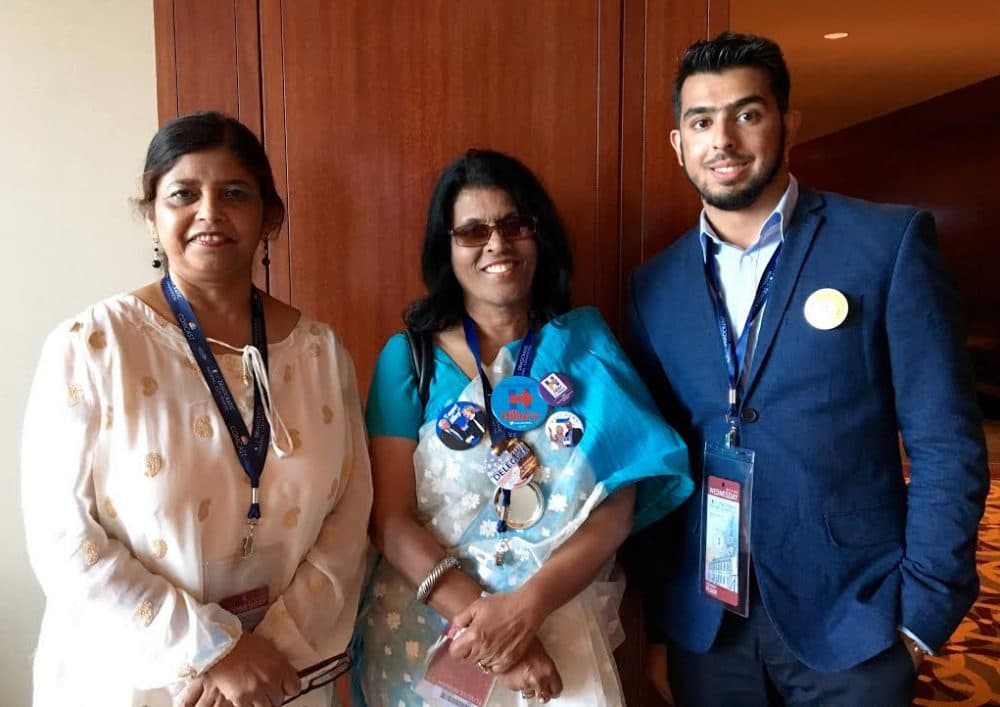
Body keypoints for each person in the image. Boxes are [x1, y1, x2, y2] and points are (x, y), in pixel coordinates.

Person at [627, 33, 989, 705]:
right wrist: (659, 626)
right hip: (710, 629)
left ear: (787, 124)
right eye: (701, 121)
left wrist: (921, 618)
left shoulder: (886, 245)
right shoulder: (654, 287)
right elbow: (656, 470)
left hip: (857, 622)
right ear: (678, 143)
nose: (723, 139)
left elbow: (948, 445)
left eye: (748, 113)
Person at [21, 112, 372, 707]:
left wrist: (265, 655)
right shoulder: (93, 347)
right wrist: (216, 651)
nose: (209, 212)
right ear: (152, 216)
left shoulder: (318, 352)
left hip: (280, 678)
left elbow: (349, 516)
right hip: (140, 682)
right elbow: (63, 538)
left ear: (270, 217)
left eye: (235, 193)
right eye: (183, 194)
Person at [353, 149, 692, 706]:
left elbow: (616, 507)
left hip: (557, 624)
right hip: (431, 641)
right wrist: (491, 632)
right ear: (446, 247)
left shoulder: (586, 352)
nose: (497, 243)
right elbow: (389, 522)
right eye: (472, 230)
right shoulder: (408, 359)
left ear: (540, 235)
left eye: (515, 224)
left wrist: (524, 609)